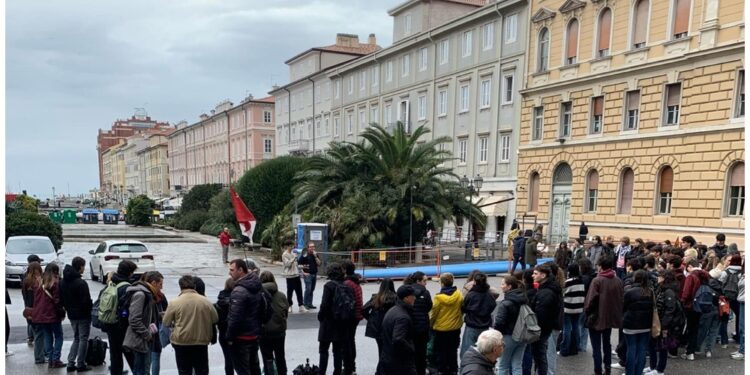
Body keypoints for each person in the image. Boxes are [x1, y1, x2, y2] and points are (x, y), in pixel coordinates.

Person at [584, 256, 624, 375]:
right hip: (610, 316)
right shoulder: (617, 280)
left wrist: (587, 311)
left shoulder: (597, 280)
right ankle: (608, 369)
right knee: (607, 343)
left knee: (596, 347)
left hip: (596, 316)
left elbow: (590, 300)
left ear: (600, 266)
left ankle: (598, 371)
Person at [227, 259, 266, 375]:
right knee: (254, 369)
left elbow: (235, 318)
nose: (229, 273)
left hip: (241, 338)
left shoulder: (239, 291)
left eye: (232, 270)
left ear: (240, 270)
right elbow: (266, 307)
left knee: (243, 370)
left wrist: (229, 337)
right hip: (254, 335)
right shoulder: (257, 286)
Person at [123, 271, 163, 375]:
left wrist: (159, 315)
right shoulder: (141, 294)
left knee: (143, 370)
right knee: (141, 371)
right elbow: (134, 320)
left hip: (142, 339)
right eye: (160, 284)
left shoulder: (147, 293)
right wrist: (147, 335)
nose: (161, 287)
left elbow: (145, 316)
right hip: (139, 340)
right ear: (153, 283)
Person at [644, 270, 683, 375]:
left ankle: (660, 369)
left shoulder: (668, 292)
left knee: (662, 347)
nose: (658, 278)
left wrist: (664, 325)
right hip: (658, 321)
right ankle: (653, 366)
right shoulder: (661, 289)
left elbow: (670, 310)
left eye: (660, 276)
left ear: (664, 278)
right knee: (652, 344)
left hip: (663, 323)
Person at [60, 257, 93, 372]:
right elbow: (86, 301)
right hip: (83, 314)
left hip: (71, 314)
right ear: (80, 267)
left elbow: (62, 299)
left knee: (77, 338)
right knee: (83, 338)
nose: (84, 268)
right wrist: (90, 308)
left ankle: (70, 362)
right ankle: (80, 363)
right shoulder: (81, 283)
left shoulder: (64, 281)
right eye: (83, 266)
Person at [528, 265, 561, 375]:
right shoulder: (548, 288)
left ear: (543, 275)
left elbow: (541, 314)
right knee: (541, 357)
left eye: (535, 273)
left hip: (541, 330)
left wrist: (535, 329)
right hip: (545, 329)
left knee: (540, 357)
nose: (533, 275)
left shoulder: (546, 292)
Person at [33, 263, 66, 368]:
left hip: (41, 315)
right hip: (52, 314)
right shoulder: (55, 283)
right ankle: (56, 359)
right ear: (56, 272)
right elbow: (57, 300)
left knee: (47, 336)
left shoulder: (38, 283)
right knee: (59, 336)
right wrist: (62, 312)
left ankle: (50, 359)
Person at [430, 272, 464, 375]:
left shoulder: (438, 298)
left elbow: (433, 314)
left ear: (442, 283)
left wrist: (430, 325)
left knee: (441, 351)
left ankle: (442, 370)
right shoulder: (459, 295)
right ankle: (453, 369)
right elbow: (461, 309)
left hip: (441, 329)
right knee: (453, 350)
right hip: (455, 328)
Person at [380, 285, 418, 375]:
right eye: (413, 296)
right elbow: (398, 339)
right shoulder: (402, 317)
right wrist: (411, 349)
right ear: (407, 298)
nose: (415, 298)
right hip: (399, 362)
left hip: (388, 357)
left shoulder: (393, 310)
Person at [317, 262, 347, 375]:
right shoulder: (345, 285)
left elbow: (324, 304)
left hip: (328, 321)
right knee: (337, 351)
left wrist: (320, 316)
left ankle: (322, 372)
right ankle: (337, 372)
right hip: (341, 321)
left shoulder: (329, 286)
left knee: (324, 350)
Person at [494, 276, 527, 375]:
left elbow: (499, 322)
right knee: (517, 365)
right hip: (522, 335)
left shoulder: (505, 303)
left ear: (509, 287)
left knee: (503, 365)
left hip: (508, 336)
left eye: (503, 284)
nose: (501, 286)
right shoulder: (524, 299)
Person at [622, 270, 654, 375]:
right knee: (642, 349)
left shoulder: (629, 292)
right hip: (645, 324)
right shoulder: (650, 292)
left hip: (630, 324)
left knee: (631, 348)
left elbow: (623, 307)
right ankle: (638, 372)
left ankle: (629, 372)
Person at [680, 259, 711, 360]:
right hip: (702, 305)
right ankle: (692, 351)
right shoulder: (705, 275)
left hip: (691, 305)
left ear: (689, 266)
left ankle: (689, 352)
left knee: (689, 328)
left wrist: (683, 301)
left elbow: (686, 292)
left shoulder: (691, 276)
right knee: (695, 329)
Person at [460, 272, 496, 359]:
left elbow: (463, 307)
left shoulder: (471, 295)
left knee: (467, 352)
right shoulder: (489, 295)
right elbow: (493, 305)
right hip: (485, 325)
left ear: (474, 282)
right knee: (484, 352)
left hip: (472, 325)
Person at [259, 271, 289, 375]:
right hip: (279, 331)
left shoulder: (258, 295)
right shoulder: (281, 295)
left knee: (267, 358)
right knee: (280, 356)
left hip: (264, 332)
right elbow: (286, 312)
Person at [363, 279, 398, 363]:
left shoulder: (376, 298)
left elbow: (364, 310)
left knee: (381, 349)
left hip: (378, 327)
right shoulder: (396, 298)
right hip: (391, 327)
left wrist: (371, 319)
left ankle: (381, 368)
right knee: (391, 349)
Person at [405, 272, 433, 375]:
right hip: (422, 327)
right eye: (424, 281)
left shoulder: (407, 291)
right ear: (418, 281)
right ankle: (421, 370)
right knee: (421, 352)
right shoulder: (425, 293)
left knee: (410, 351)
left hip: (410, 326)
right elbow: (429, 306)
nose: (426, 283)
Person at [341, 260, 363, 375]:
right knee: (351, 340)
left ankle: (349, 366)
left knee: (347, 342)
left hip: (351, 316)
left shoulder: (348, 283)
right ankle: (352, 366)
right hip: (357, 315)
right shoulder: (356, 281)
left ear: (345, 270)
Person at [22, 262, 45, 364]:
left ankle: (40, 356)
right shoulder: (35, 283)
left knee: (37, 334)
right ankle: (39, 357)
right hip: (36, 311)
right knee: (40, 335)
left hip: (28, 311)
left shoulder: (26, 282)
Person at [560, 264, 584, 357]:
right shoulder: (581, 280)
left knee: (566, 328)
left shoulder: (568, 282)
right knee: (575, 327)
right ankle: (575, 347)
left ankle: (565, 349)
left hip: (568, 307)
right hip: (578, 307)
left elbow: (563, 294)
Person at [215, 277, 236, 375]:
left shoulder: (219, 302)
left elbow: (215, 319)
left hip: (223, 333)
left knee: (228, 358)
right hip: (237, 333)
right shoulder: (238, 299)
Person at [281, 240, 305, 313]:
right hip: (290, 275)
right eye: (291, 245)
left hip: (296, 274)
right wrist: (293, 258)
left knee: (299, 291)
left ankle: (301, 306)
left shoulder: (293, 253)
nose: (293, 247)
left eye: (293, 245)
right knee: (290, 291)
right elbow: (287, 264)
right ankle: (289, 305)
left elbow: (295, 264)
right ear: (287, 246)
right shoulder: (284, 254)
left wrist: (301, 268)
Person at [577, 258, 596, 353]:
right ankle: (583, 345)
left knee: (580, 324)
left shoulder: (585, 278)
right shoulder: (594, 275)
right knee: (584, 325)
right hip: (591, 303)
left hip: (583, 302)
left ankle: (579, 345)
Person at [298, 241, 321, 310]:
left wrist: (315, 256)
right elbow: (299, 264)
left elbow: (319, 264)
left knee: (312, 289)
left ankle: (310, 304)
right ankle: (305, 304)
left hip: (314, 274)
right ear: (308, 248)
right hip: (307, 274)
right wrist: (303, 273)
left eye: (313, 247)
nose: (312, 248)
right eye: (311, 247)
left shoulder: (315, 255)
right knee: (308, 289)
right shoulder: (304, 255)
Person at [731, 270, 744, 360]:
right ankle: (742, 349)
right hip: (742, 301)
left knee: (744, 328)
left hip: (744, 300)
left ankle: (743, 351)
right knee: (741, 328)